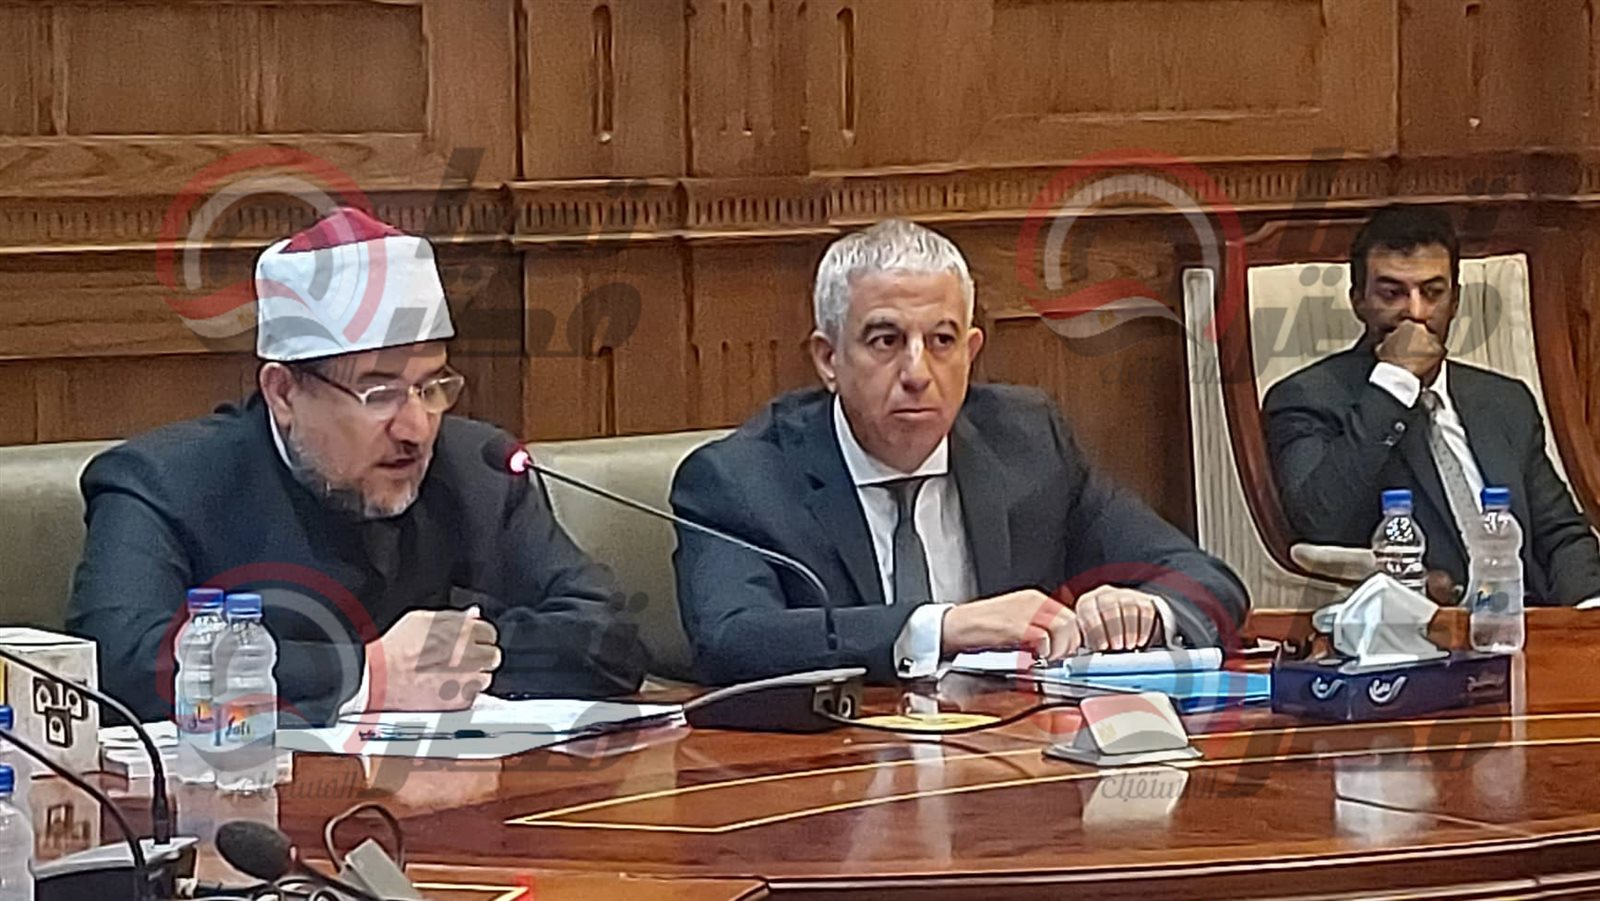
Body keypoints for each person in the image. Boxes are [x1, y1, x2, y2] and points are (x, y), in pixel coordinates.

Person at [68, 207, 645, 726]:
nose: (416, 427)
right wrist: (369, 673)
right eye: (379, 393)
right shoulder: (165, 483)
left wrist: (460, 651)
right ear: (284, 393)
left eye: (431, 388)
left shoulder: (480, 469)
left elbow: (608, 638)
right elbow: (117, 663)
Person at [670, 219, 1248, 684]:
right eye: (886, 340)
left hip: (1009, 760)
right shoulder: (741, 479)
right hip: (837, 768)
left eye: (941, 341)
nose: (917, 372)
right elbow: (731, 639)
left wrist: (1147, 610)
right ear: (828, 359)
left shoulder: (1028, 444)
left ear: (970, 352)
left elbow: (1206, 579)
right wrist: (941, 628)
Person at [1264, 205, 1600, 604]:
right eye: (1392, 293)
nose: (1415, 313)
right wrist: (1395, 382)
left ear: (1454, 301)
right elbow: (1320, 520)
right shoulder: (1307, 398)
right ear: (1358, 301)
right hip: (1420, 624)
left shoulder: (1504, 401)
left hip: (1530, 620)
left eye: (1432, 293)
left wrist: (1586, 616)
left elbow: (1561, 535)